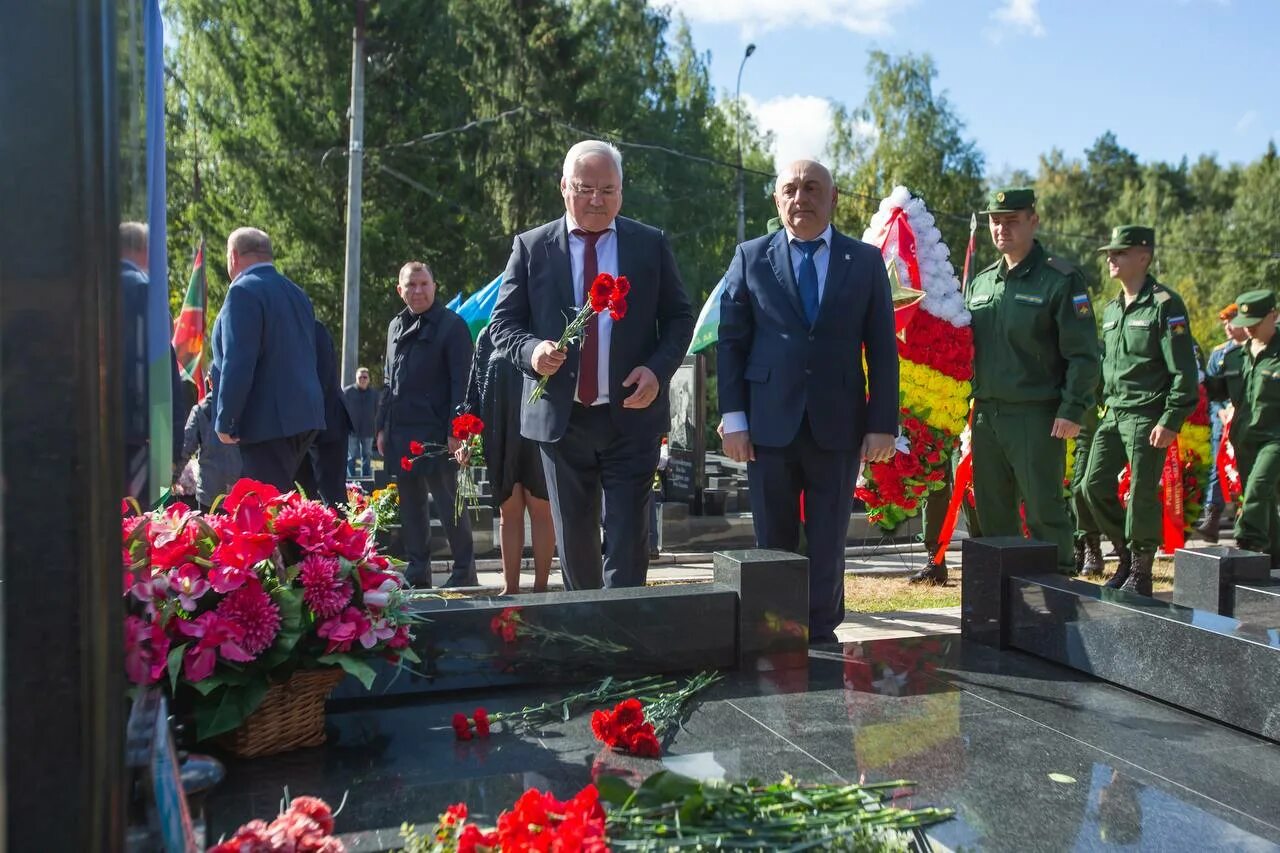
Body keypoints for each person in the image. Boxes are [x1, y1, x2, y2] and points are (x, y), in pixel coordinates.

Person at [488, 139, 695, 590]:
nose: (597, 200)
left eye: (608, 189)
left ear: (622, 191)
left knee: (627, 541)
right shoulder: (532, 247)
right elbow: (502, 325)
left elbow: (680, 318)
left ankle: (625, 644)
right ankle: (587, 640)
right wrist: (532, 352)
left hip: (631, 417)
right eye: (585, 189)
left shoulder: (649, 244)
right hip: (563, 425)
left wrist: (657, 371)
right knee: (577, 545)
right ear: (564, 187)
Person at [717, 159, 899, 644]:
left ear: (834, 198)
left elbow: (882, 347)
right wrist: (733, 417)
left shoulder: (863, 261)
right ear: (778, 200)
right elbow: (731, 341)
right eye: (791, 190)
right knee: (772, 537)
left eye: (813, 188)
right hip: (767, 424)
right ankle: (772, 629)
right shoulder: (750, 257)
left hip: (837, 422)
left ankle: (820, 631)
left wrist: (883, 422)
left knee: (827, 538)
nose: (802, 198)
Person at [965, 188, 1100, 575]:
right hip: (987, 415)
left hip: (1037, 416)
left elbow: (1085, 354)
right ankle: (1003, 595)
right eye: (995, 220)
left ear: (1033, 221)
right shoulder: (983, 283)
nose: (1001, 228)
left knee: (1044, 511)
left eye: (1012, 220)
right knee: (992, 511)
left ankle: (1058, 590)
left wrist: (1073, 407)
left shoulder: (1060, 280)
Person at [1081, 226, 1199, 595]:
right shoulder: (1112, 308)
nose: (1110, 259)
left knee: (1142, 493)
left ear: (1143, 257)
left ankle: (1141, 571)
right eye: (1109, 253)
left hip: (1149, 414)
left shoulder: (1165, 304)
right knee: (1090, 486)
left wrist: (1171, 419)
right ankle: (1125, 554)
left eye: (1119, 253)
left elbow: (1184, 372)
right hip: (1114, 412)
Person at [377, 261, 476, 588]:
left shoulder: (452, 326)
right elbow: (388, 381)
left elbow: (463, 382)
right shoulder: (394, 326)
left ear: (434, 286)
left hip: (437, 434)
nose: (417, 291)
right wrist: (382, 427)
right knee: (411, 508)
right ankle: (418, 569)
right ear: (399, 289)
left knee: (450, 505)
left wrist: (456, 431)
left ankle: (463, 571)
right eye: (410, 285)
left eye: (423, 284)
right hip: (402, 433)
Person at [210, 227, 324, 491]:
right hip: (304, 417)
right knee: (285, 509)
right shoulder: (297, 293)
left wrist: (226, 419)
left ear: (234, 256)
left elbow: (238, 362)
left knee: (263, 514)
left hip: (266, 422)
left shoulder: (242, 292)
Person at [462, 325, 556, 594]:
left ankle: (541, 588)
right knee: (509, 510)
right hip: (500, 432)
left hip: (539, 430)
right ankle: (510, 588)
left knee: (541, 508)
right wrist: (466, 435)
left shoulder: (543, 322)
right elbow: (474, 391)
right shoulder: (489, 335)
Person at [119, 221, 191, 499]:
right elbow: (162, 370)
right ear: (146, 251)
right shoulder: (146, 291)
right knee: (136, 529)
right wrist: (170, 448)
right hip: (140, 438)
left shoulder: (87, 286)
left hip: (90, 435)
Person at [1226, 289, 1280, 569]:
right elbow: (1216, 389)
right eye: (1246, 323)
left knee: (1258, 490)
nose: (1250, 329)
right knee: (1264, 499)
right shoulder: (1236, 357)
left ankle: (1248, 544)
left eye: (1257, 322)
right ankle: (1276, 559)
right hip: (1244, 438)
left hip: (1275, 438)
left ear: (1275, 315)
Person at [1198, 303, 1249, 541]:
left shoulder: (1254, 350)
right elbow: (1212, 394)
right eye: (1225, 323)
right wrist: (1220, 411)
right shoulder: (1220, 354)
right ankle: (1212, 517)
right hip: (1223, 420)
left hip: (1248, 419)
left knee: (1247, 470)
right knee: (1218, 467)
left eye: (1233, 321)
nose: (1228, 327)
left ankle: (1245, 519)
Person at [295, 320, 351, 507]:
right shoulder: (295, 328)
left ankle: (339, 536)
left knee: (334, 499)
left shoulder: (313, 330)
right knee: (303, 497)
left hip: (327, 423)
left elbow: (321, 380)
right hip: (303, 427)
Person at [178, 376, 242, 511]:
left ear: (210, 381)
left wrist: (172, 477)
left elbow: (184, 449)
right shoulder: (245, 404)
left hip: (209, 496)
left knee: (209, 531)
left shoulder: (200, 410)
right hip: (242, 494)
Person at [343, 367, 378, 477]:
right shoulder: (347, 392)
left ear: (369, 379)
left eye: (365, 377)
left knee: (367, 456)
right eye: (360, 377)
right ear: (356, 378)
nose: (362, 379)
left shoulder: (374, 394)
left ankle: (367, 480)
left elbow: (378, 411)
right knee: (351, 457)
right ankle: (351, 481)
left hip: (368, 430)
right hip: (351, 430)